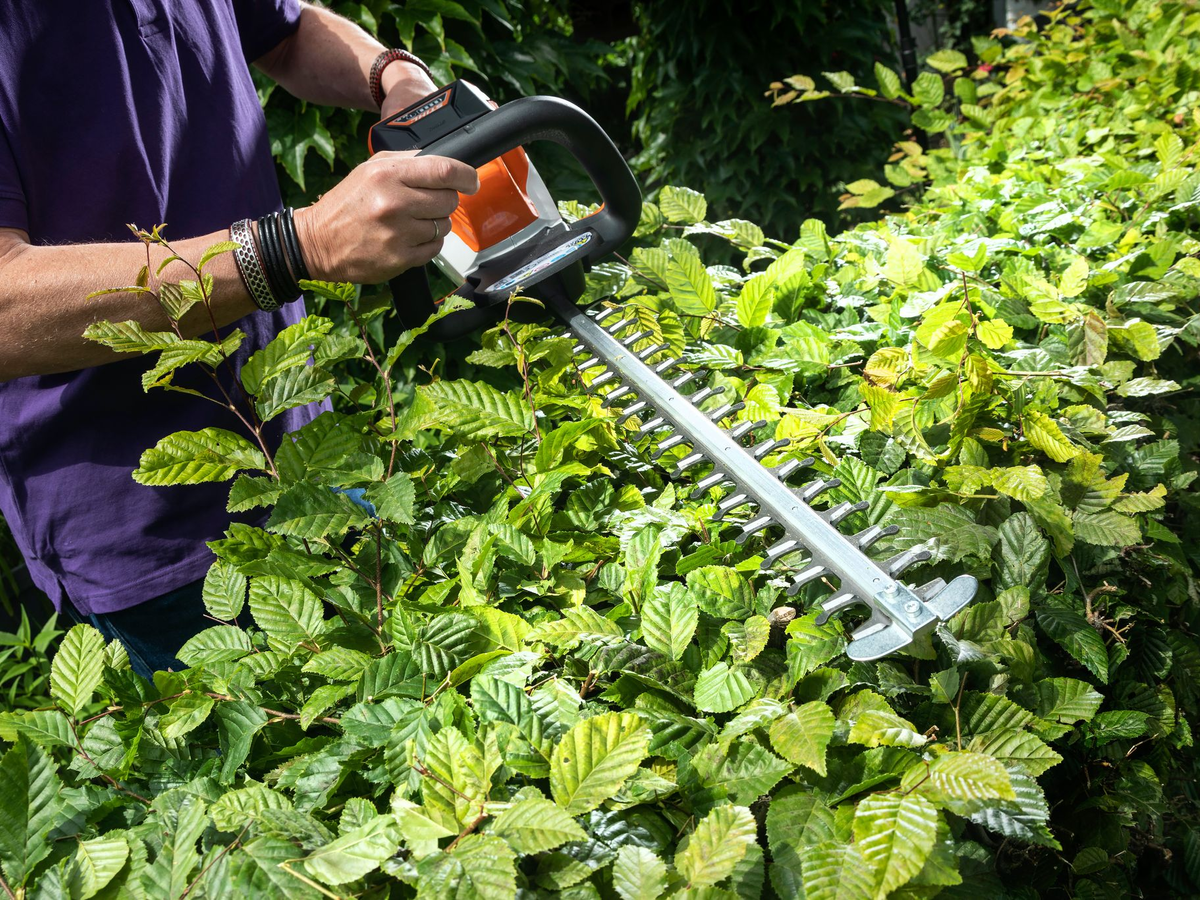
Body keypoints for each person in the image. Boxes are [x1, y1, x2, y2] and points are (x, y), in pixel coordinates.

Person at [0, 1, 480, 678]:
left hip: (309, 447)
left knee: (426, 702)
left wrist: (396, 76)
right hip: (164, 538)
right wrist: (299, 246)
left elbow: (285, 32)